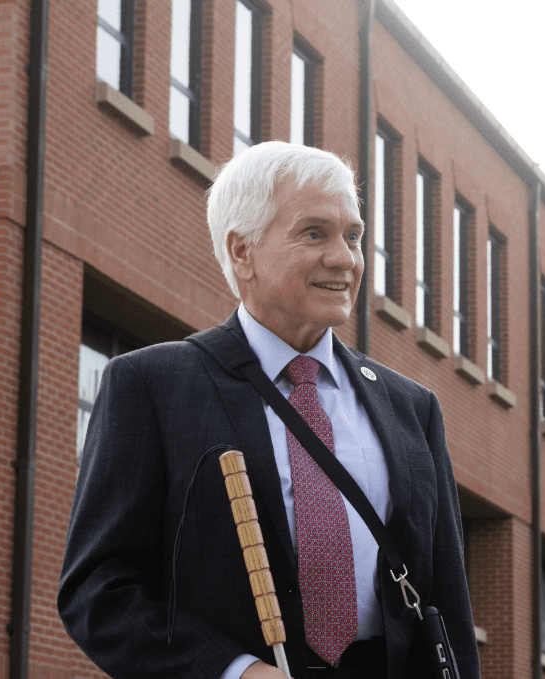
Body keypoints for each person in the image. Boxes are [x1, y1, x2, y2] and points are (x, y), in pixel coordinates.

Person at [58, 141, 480, 679]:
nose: (345, 258)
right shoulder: (152, 386)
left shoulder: (411, 408)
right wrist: (234, 672)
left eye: (353, 236)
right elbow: (99, 592)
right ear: (242, 251)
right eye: (314, 234)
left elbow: (448, 602)